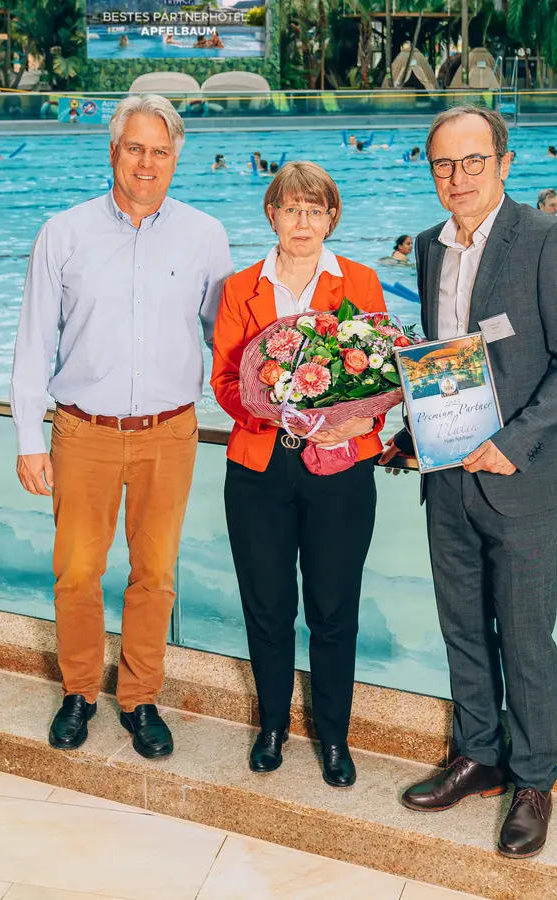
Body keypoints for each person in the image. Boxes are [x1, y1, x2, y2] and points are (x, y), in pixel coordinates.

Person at [381, 106, 557, 859]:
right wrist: (416, 431)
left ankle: (534, 779)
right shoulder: (428, 247)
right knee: (461, 624)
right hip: (450, 473)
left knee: (526, 635)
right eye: (444, 165)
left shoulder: (551, 241)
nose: (458, 178)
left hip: (527, 475)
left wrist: (514, 443)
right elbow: (447, 357)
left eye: (472, 161)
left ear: (504, 163)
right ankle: (478, 755)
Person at [11, 95, 233, 761]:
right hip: (84, 431)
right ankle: (79, 691)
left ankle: (140, 697)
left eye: (160, 151)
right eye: (135, 148)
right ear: (113, 152)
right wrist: (28, 435)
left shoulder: (205, 235)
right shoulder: (65, 232)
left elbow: (227, 340)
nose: (147, 162)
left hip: (170, 432)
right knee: (77, 571)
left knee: (155, 573)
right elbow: (33, 340)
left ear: (176, 159)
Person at [209, 162, 387, 788]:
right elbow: (225, 381)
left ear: (331, 217)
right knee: (267, 605)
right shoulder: (241, 288)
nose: (303, 222)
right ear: (272, 216)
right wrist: (265, 404)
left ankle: (335, 737)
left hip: (339, 468)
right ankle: (274, 726)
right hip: (259, 466)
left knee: (335, 609)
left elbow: (382, 376)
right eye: (292, 209)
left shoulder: (359, 282)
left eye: (316, 210)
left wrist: (352, 424)